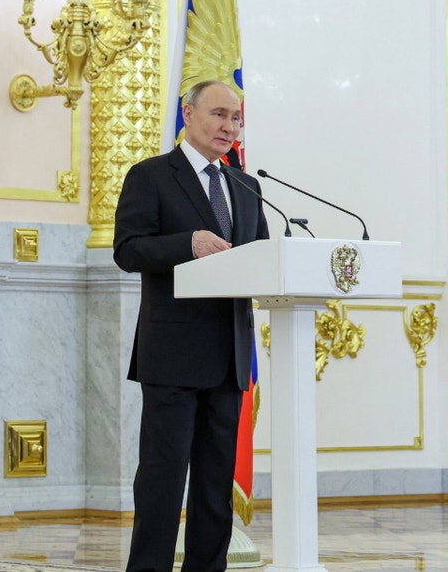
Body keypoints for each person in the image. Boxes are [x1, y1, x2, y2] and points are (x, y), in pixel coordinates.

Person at [113, 80, 269, 572]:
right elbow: (128, 249)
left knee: (214, 484)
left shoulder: (246, 185)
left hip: (228, 355)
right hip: (174, 356)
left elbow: (260, 255)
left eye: (237, 118)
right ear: (188, 113)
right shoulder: (152, 176)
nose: (230, 126)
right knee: (162, 479)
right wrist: (188, 243)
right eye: (220, 114)